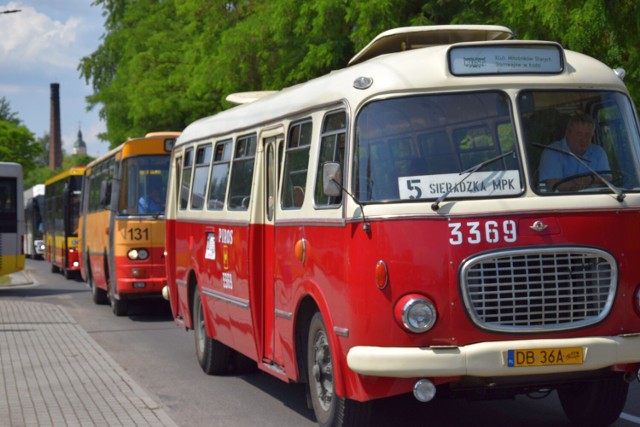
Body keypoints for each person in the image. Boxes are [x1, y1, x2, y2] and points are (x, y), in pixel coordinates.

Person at [538, 113, 610, 192]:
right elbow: (553, 184)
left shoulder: (598, 152)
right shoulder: (552, 151)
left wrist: (590, 179)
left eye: (588, 135)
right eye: (579, 134)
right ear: (568, 133)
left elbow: (608, 179)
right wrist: (576, 183)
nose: (583, 139)